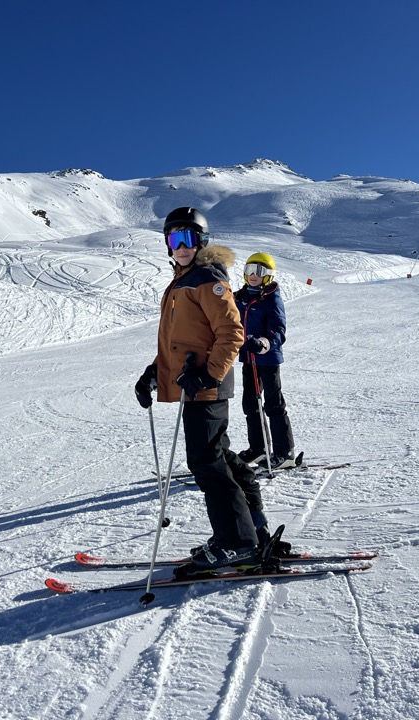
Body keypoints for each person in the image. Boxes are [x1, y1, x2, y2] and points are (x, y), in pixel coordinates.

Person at [134, 207, 275, 570]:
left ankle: (237, 542)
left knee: (206, 462)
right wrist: (154, 373)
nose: (181, 246)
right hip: (192, 384)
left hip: (205, 387)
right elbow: (180, 342)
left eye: (189, 238)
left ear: (202, 242)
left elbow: (231, 334)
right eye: (174, 239)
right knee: (220, 456)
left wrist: (209, 376)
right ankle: (250, 526)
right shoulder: (183, 280)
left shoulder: (207, 278)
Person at [234, 252, 298, 470]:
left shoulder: (272, 299)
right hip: (248, 357)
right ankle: (259, 449)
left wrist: (264, 343)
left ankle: (285, 452)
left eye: (259, 271)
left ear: (268, 275)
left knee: (273, 404)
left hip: (267, 358)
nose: (253, 275)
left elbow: (279, 331)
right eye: (250, 270)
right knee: (250, 404)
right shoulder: (241, 296)